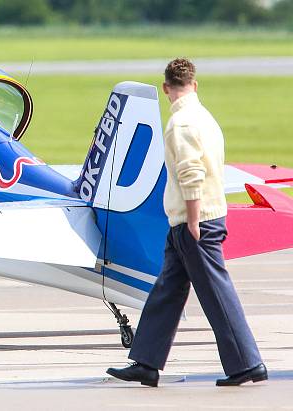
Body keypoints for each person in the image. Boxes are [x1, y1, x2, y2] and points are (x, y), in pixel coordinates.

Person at [106, 58, 266, 387]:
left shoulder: (180, 123)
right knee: (167, 290)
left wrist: (192, 220)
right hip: (200, 216)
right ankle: (146, 362)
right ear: (194, 84)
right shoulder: (205, 118)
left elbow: (190, 173)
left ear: (166, 88)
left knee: (215, 292)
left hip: (195, 220)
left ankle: (247, 363)